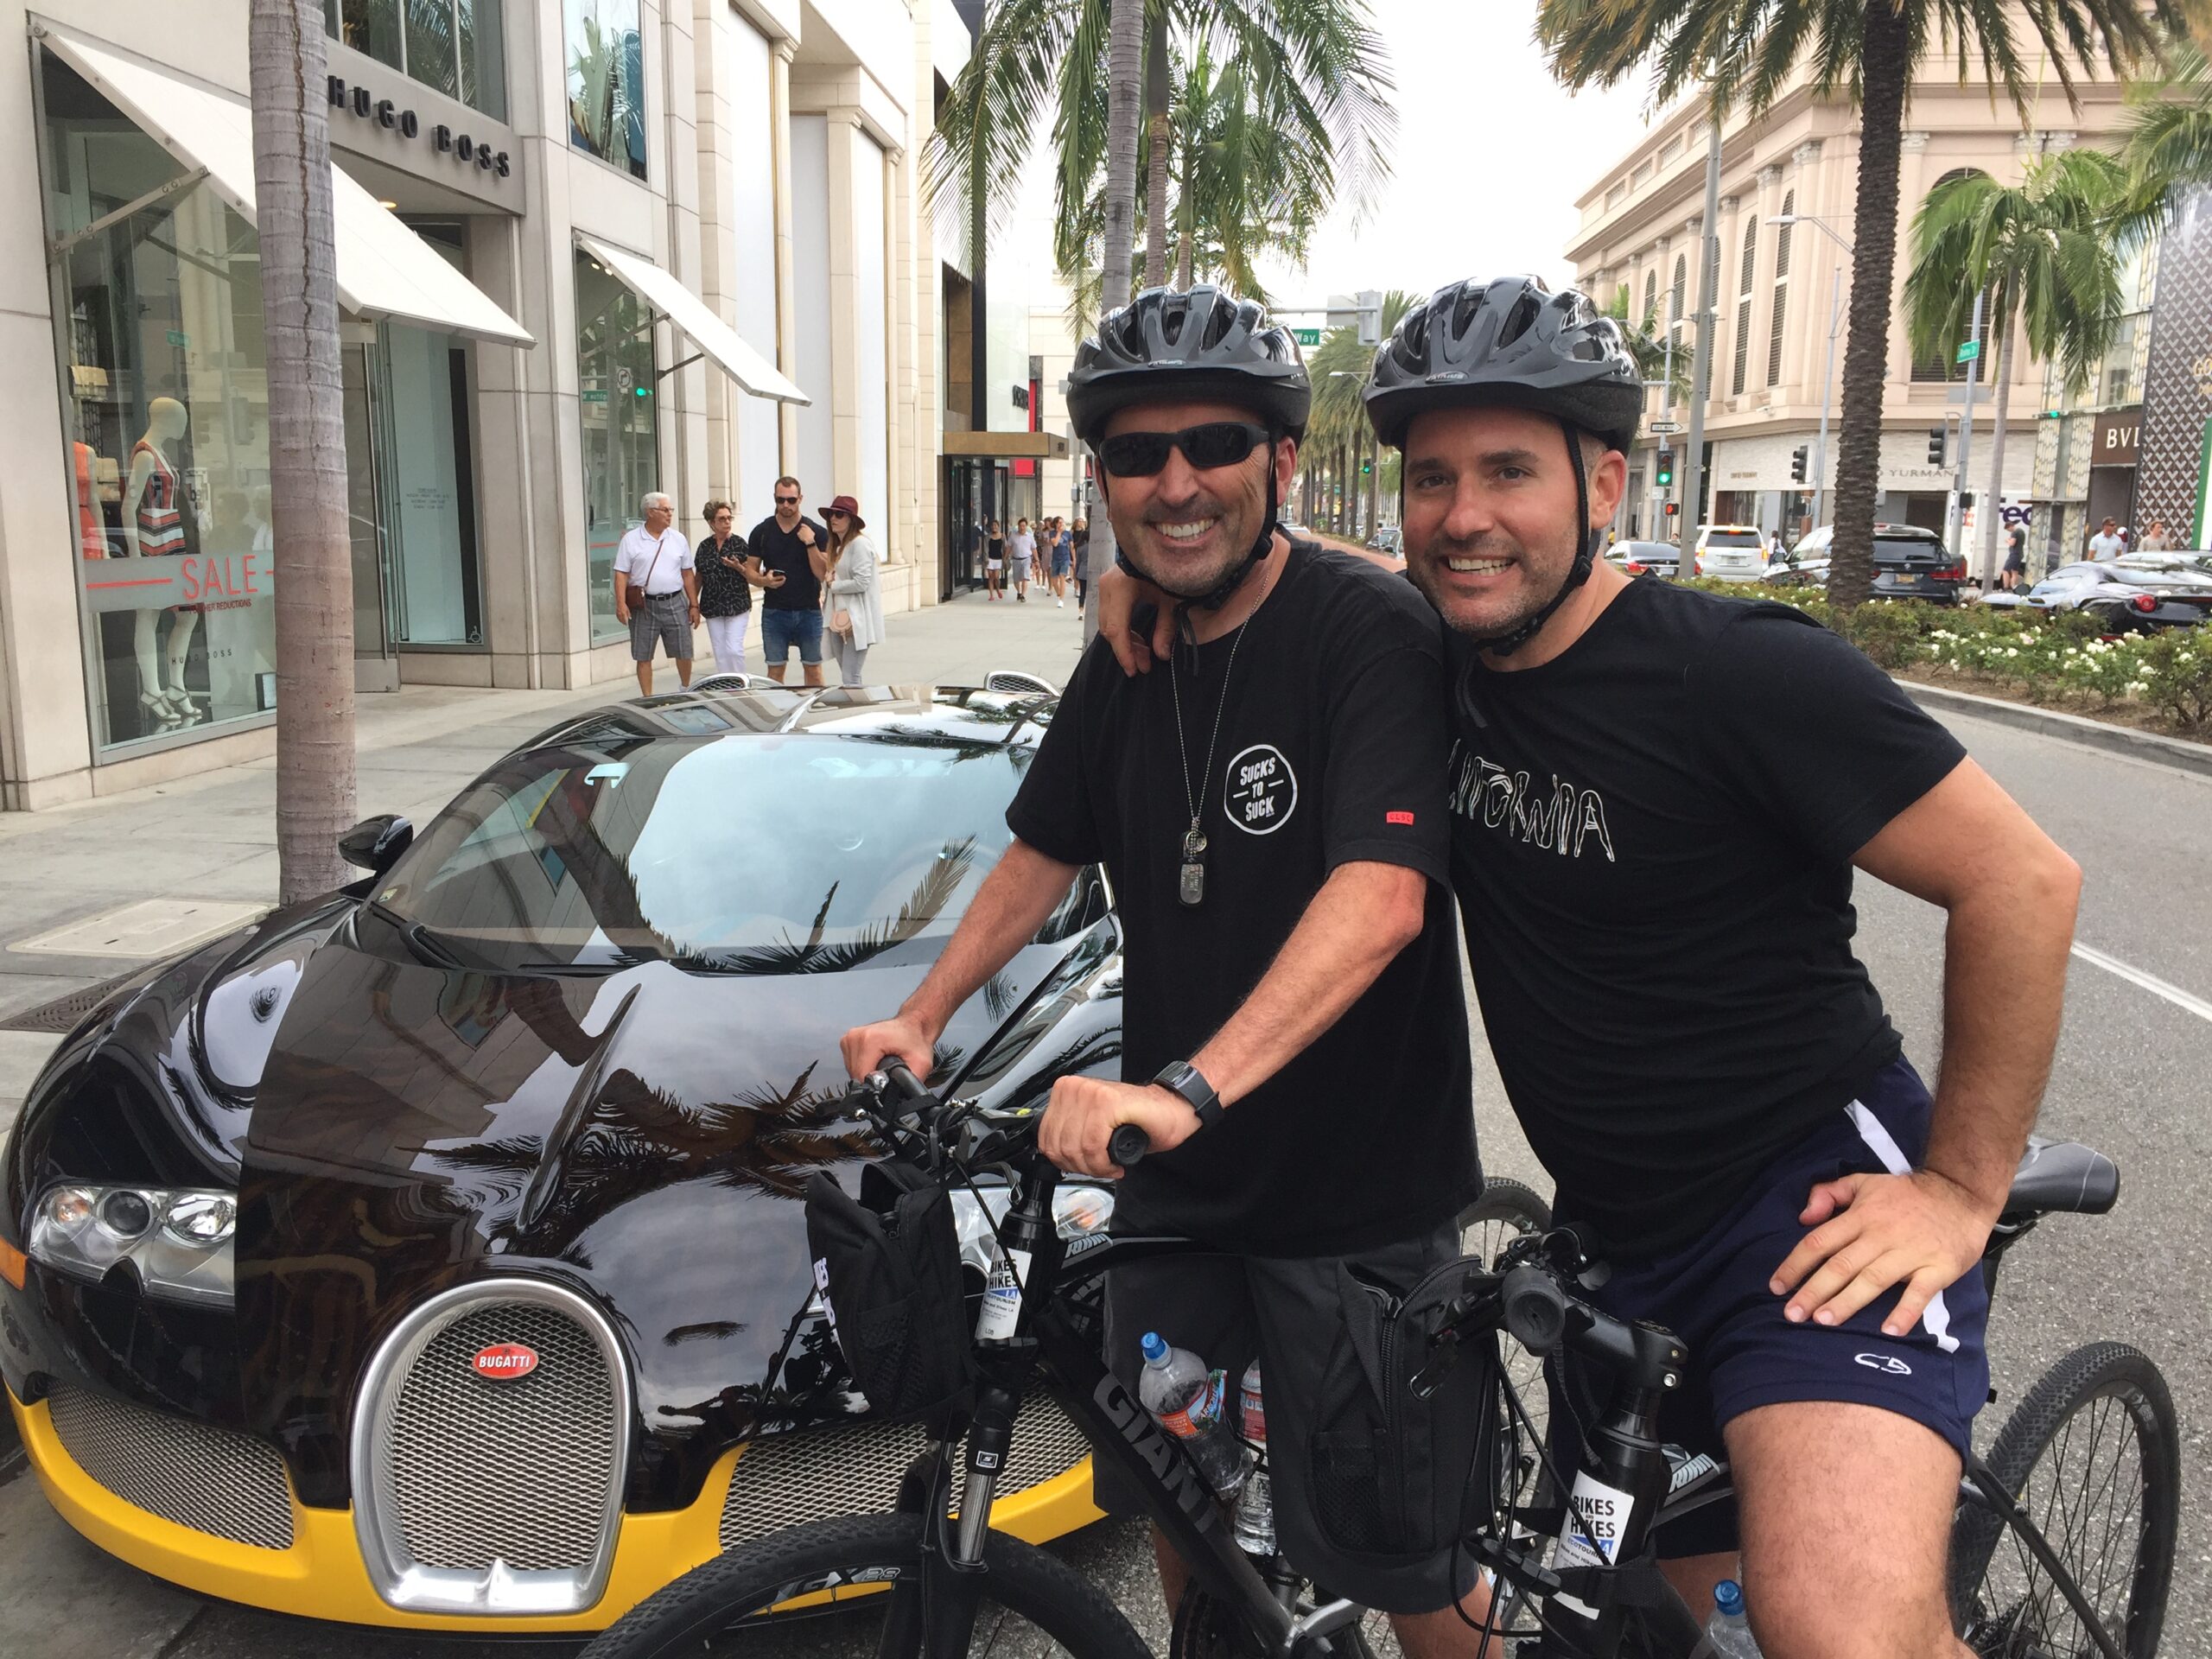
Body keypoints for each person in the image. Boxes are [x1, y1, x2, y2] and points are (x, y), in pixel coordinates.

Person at [1102, 274, 2082, 1659]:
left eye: (1511, 470)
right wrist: (1136, 573)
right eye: (1432, 479)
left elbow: (2025, 881)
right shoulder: (1432, 658)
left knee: (1833, 1625)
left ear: (1607, 480)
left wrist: (1960, 1189)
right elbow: (1280, 569)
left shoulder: (1735, 672)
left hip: (1803, 1216)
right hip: (1617, 1246)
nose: (1464, 516)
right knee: (1637, 1633)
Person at [842, 284, 1492, 1658]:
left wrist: (1189, 1085)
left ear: (1284, 461)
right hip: (1177, 1200)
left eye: (1215, 444)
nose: (1177, 482)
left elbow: (1378, 900)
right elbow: (1041, 850)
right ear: (1104, 479)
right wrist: (920, 1012)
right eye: (1139, 456)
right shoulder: (1130, 651)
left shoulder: (1361, 631)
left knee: (1411, 1578)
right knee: (1188, 1527)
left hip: (1351, 1201)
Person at [613, 492, 699, 696]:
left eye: (671, 510)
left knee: (684, 651)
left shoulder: (678, 539)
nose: (670, 514)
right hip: (644, 605)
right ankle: (647, 698)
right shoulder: (632, 540)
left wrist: (694, 604)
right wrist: (621, 604)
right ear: (651, 512)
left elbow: (687, 573)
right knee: (643, 655)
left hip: (675, 601)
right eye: (665, 510)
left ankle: (685, 688)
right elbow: (621, 574)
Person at [747, 475, 831, 684]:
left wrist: (810, 543)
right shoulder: (762, 532)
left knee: (813, 670)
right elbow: (749, 571)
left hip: (809, 611)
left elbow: (823, 574)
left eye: (791, 500)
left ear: (800, 498)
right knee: (775, 673)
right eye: (780, 500)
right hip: (775, 612)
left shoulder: (817, 532)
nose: (785, 505)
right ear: (774, 499)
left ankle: (813, 715)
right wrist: (763, 581)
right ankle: (778, 714)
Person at [822, 493, 883, 687]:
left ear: (851, 520)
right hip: (838, 617)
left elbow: (862, 582)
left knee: (851, 676)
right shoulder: (840, 547)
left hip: (856, 619)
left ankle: (857, 711)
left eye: (839, 515)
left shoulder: (860, 544)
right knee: (848, 675)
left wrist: (834, 585)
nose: (833, 518)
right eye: (831, 514)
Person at [696, 498, 761, 675]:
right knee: (720, 652)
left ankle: (740, 684)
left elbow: (753, 574)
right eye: (722, 519)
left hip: (737, 604)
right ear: (711, 522)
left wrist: (737, 567)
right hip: (712, 605)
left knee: (733, 649)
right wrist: (693, 603)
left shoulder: (739, 544)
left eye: (729, 518)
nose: (727, 522)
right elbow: (699, 576)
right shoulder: (704, 546)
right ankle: (726, 686)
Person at [1049, 515, 1074, 604]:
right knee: (1054, 579)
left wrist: (1074, 558)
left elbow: (1072, 547)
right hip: (1056, 558)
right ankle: (1059, 593)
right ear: (1056, 524)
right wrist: (1059, 533)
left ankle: (1061, 600)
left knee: (1062, 576)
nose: (1061, 524)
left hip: (1065, 557)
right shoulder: (1052, 533)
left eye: (1062, 522)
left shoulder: (1068, 533)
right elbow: (1055, 544)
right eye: (1059, 523)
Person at [1071, 515, 1091, 609]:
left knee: (1082, 593)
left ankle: (1081, 610)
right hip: (1092, 572)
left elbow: (1078, 562)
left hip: (1082, 572)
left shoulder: (1079, 548)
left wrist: (1076, 573)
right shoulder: (1093, 549)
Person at [984, 517, 1005, 599]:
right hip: (990, 558)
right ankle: (991, 595)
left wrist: (1006, 557)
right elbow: (985, 548)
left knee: (996, 577)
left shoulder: (1002, 536)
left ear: (998, 526)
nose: (994, 527)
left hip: (998, 559)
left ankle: (998, 589)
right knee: (990, 577)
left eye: (995, 525)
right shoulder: (988, 537)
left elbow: (1005, 547)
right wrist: (986, 558)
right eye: (993, 525)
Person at [2002, 524, 2027, 591]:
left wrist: (2008, 540)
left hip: (2014, 554)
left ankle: (2006, 587)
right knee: (2014, 572)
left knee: (2005, 570)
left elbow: (2012, 543)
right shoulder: (2022, 531)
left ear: (2010, 526)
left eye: (2008, 529)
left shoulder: (2015, 532)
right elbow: (2023, 542)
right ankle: (2013, 587)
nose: (2009, 531)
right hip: (2020, 554)